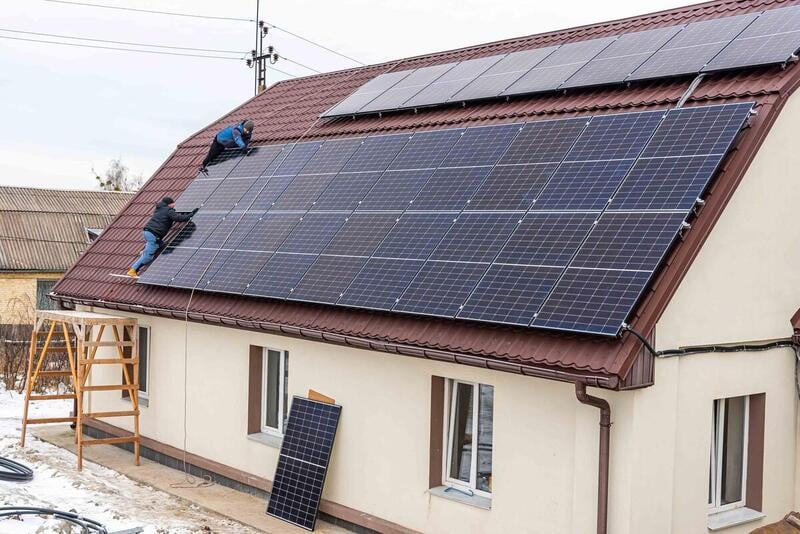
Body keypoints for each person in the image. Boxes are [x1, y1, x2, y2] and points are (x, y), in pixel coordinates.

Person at [127, 197, 197, 277]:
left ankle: (146, 250)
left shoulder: (159, 209)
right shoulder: (168, 211)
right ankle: (133, 270)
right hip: (154, 235)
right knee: (148, 257)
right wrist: (191, 214)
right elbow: (179, 218)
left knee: (161, 245)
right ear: (169, 204)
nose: (175, 204)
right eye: (173, 203)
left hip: (147, 232)